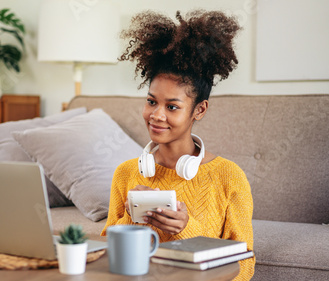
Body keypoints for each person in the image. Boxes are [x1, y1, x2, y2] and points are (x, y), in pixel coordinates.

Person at [100, 10, 255, 280]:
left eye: (172, 106)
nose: (157, 115)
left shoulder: (229, 177)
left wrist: (185, 228)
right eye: (151, 101)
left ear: (199, 110)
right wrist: (130, 217)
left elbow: (245, 268)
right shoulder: (126, 173)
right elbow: (105, 255)